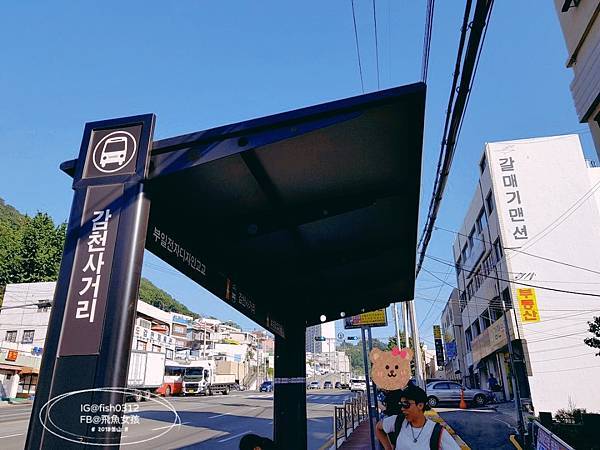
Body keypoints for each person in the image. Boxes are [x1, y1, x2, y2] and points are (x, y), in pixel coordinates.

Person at [375, 383, 460, 450]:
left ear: (420, 405)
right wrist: (388, 447)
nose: (402, 409)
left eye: (406, 404)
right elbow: (379, 428)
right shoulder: (398, 421)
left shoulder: (437, 432)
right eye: (401, 404)